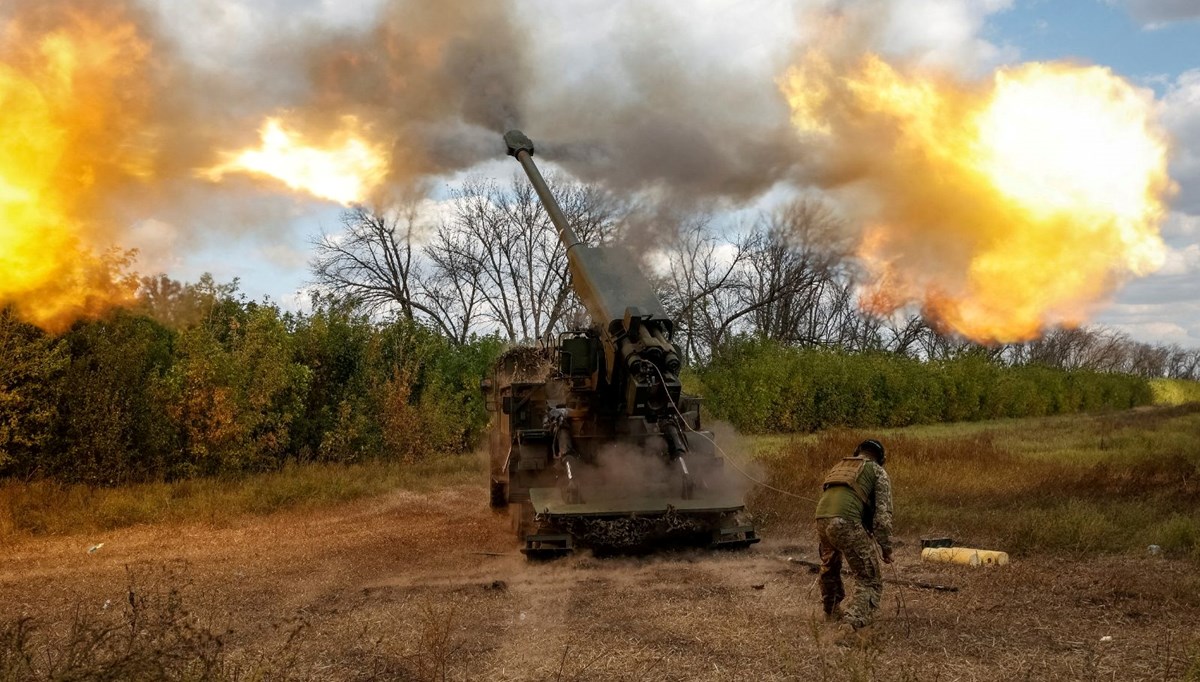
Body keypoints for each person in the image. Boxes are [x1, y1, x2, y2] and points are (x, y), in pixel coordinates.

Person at [814, 438, 893, 633]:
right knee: (869, 578)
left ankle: (831, 612)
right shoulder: (877, 471)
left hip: (821, 519)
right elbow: (882, 518)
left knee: (829, 568)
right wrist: (886, 548)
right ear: (880, 458)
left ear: (857, 451)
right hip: (845, 522)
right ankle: (851, 623)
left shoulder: (839, 466)